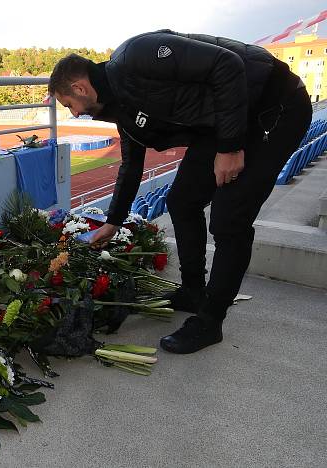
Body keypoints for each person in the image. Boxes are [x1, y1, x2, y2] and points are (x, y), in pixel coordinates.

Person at [48, 30, 311, 354]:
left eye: (69, 104)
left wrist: (230, 148)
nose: (74, 113)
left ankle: (210, 321)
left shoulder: (134, 56)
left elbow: (227, 65)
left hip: (274, 105)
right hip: (223, 120)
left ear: (79, 87)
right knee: (181, 200)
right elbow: (131, 166)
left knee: (230, 219)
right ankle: (192, 290)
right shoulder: (121, 108)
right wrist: (112, 222)